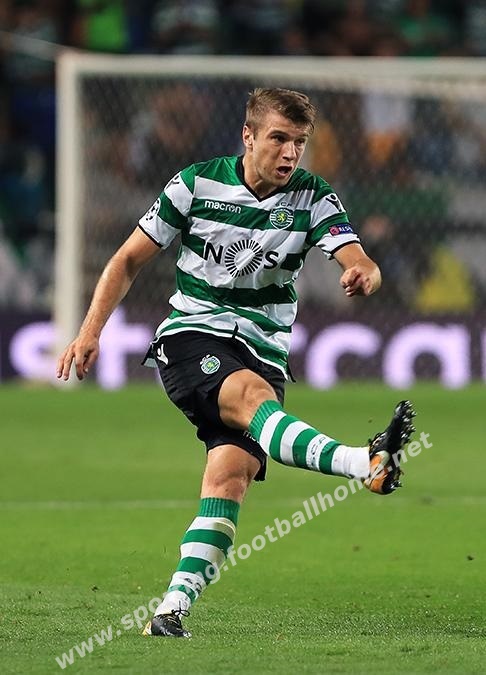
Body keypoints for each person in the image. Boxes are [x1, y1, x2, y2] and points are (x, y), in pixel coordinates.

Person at [57, 87, 416, 639]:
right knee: (252, 398)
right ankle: (360, 463)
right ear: (248, 136)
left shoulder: (314, 196)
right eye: (279, 138)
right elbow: (127, 259)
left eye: (299, 142)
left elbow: (359, 257)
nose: (290, 152)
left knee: (229, 480)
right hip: (192, 336)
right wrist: (89, 330)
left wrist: (364, 272)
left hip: (263, 350)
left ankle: (170, 611)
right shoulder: (195, 184)